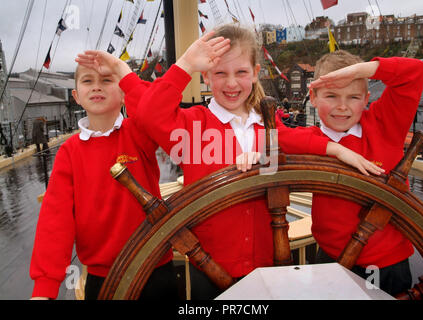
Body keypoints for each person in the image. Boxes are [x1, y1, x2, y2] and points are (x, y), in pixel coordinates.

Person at [77, 24, 382, 299]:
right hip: (208, 270)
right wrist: (182, 64)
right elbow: (147, 113)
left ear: (256, 72)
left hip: (270, 263)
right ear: (205, 75)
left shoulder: (270, 125)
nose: (231, 83)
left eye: (241, 73)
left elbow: (299, 143)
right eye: (220, 73)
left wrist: (335, 149)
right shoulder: (189, 127)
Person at [29, 58, 178, 300]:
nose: (97, 86)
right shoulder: (69, 153)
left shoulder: (140, 133)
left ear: (123, 93)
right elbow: (55, 221)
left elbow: (156, 108)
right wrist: (44, 288)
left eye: (107, 80)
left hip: (156, 270)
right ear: (76, 96)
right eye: (88, 81)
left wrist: (126, 75)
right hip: (103, 279)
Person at [302, 50, 423, 296]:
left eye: (353, 96)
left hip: (387, 262)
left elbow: (415, 72)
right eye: (331, 95)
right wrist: (333, 149)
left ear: (367, 98)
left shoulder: (385, 124)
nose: (342, 106)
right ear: (312, 97)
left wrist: (361, 70)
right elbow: (273, 136)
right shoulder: (310, 140)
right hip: (329, 257)